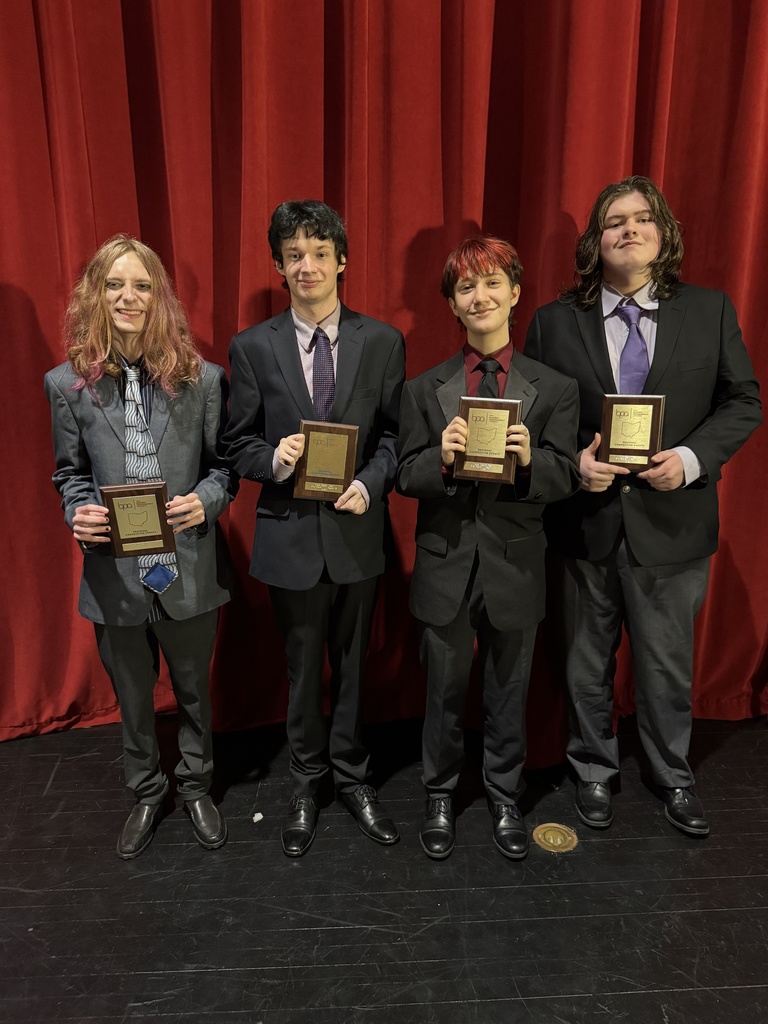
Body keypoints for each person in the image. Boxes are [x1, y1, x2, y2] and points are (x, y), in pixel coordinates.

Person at [524, 176, 762, 836]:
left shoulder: (709, 311)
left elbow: (744, 401)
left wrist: (686, 462)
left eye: (642, 219)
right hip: (584, 522)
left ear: (665, 235)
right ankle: (593, 769)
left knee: (666, 665)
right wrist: (576, 463)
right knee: (584, 660)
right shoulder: (553, 321)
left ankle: (671, 773)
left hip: (673, 523)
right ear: (594, 243)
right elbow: (538, 417)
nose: (628, 229)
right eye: (612, 222)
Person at [45, 235, 237, 860]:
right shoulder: (67, 386)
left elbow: (224, 469)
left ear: (160, 299)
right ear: (95, 295)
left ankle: (197, 784)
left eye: (143, 285)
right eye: (115, 285)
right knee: (132, 695)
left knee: (193, 689)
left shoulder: (203, 381)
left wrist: (204, 502)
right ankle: (147, 790)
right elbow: (68, 474)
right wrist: (79, 511)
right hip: (114, 573)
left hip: (186, 567)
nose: (129, 297)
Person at [224, 200, 405, 857]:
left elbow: (394, 436)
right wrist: (272, 460)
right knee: (302, 670)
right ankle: (305, 785)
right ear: (279, 266)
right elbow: (234, 443)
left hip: (357, 533)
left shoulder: (382, 341)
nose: (308, 265)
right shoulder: (251, 348)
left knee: (354, 666)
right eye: (294, 254)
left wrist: (370, 483)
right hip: (290, 534)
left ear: (342, 262)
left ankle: (354, 780)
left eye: (319, 253)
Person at [396, 237, 580, 859]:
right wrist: (441, 462)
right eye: (466, 287)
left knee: (509, 688)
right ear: (452, 303)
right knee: (442, 691)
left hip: (516, 565)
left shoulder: (554, 388)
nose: (481, 296)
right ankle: (441, 792)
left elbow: (567, 475)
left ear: (515, 293)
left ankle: (505, 794)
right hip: (446, 561)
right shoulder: (425, 389)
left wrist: (530, 465)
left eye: (492, 283)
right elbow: (402, 473)